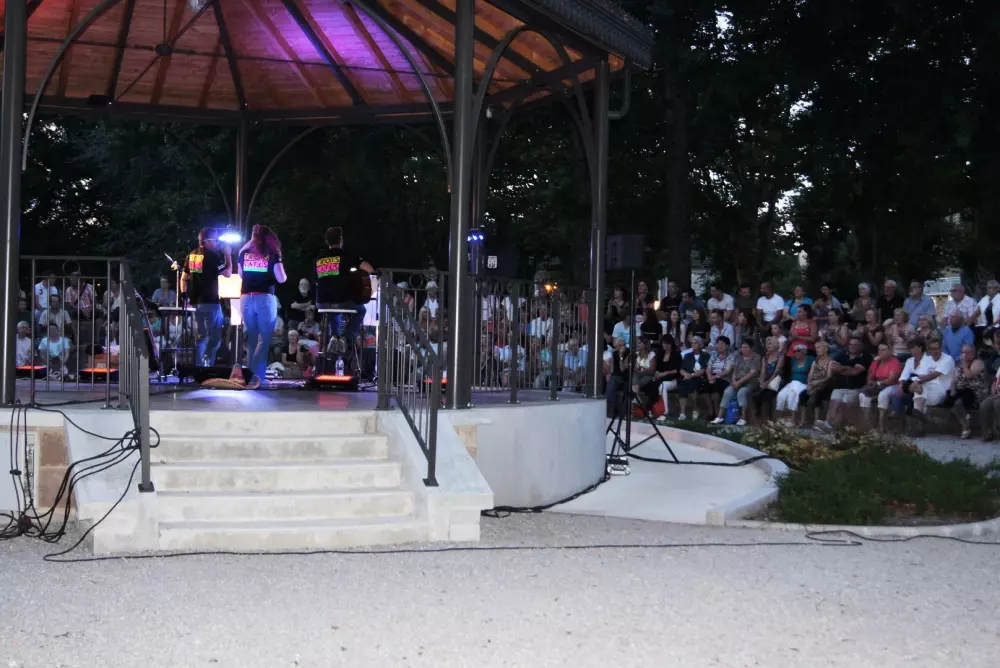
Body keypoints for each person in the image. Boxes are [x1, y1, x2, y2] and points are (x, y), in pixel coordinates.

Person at [237, 224, 287, 386]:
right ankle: (257, 376)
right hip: (264, 298)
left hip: (245, 298)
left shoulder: (243, 252)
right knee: (264, 339)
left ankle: (250, 377)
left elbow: (241, 275)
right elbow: (281, 278)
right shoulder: (272, 252)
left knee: (252, 338)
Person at [315, 226, 375, 354]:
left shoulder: (319, 258)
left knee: (333, 309)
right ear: (341, 240)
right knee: (361, 310)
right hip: (343, 301)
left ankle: (334, 336)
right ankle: (346, 338)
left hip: (322, 302)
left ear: (327, 241)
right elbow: (369, 269)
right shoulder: (346, 256)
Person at [180, 228, 233, 367]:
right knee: (215, 338)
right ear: (207, 241)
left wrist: (185, 296)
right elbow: (228, 273)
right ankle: (208, 365)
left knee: (201, 337)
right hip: (210, 302)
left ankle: (199, 368)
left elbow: (183, 278)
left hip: (195, 303)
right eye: (215, 240)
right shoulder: (212, 256)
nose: (217, 243)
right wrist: (228, 254)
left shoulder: (192, 255)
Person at [816, 337, 872, 432]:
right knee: (834, 404)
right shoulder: (842, 355)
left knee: (842, 406)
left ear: (860, 346)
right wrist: (848, 368)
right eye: (851, 344)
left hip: (855, 388)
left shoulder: (865, 357)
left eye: (855, 345)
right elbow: (833, 367)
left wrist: (841, 368)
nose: (852, 346)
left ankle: (831, 426)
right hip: (839, 387)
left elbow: (855, 372)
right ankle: (828, 424)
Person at [905, 338, 955, 434]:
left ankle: (919, 423)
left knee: (919, 394)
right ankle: (920, 422)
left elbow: (933, 375)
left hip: (941, 390)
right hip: (927, 388)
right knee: (918, 390)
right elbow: (921, 375)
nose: (935, 351)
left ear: (941, 348)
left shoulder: (948, 359)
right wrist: (915, 384)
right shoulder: (927, 359)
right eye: (932, 349)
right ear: (928, 350)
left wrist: (916, 383)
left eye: (937, 348)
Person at [942, 344, 988, 439]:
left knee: (959, 403)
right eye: (963, 352)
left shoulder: (978, 363)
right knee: (948, 401)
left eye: (967, 353)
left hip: (975, 392)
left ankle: (965, 427)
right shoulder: (958, 364)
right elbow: (954, 380)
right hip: (961, 391)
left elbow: (969, 375)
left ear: (973, 353)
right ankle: (965, 418)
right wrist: (953, 389)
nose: (964, 355)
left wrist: (964, 364)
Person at [713, 338, 759, 426]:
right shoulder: (738, 357)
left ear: (751, 348)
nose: (743, 349)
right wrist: (734, 381)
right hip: (736, 382)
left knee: (741, 392)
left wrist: (739, 382)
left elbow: (752, 373)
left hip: (750, 382)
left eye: (746, 347)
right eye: (742, 347)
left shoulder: (756, 357)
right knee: (727, 391)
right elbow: (734, 371)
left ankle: (743, 418)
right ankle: (719, 416)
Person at [858, 343, 903, 433]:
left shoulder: (895, 362)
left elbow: (892, 380)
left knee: (883, 395)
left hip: (891, 385)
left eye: (883, 350)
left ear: (890, 351)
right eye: (879, 350)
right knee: (862, 396)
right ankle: (868, 424)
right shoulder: (876, 362)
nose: (880, 352)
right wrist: (870, 382)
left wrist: (878, 383)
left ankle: (881, 425)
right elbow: (870, 375)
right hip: (877, 386)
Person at [797, 340, 835, 428]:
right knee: (802, 395)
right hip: (814, 384)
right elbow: (810, 375)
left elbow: (829, 376)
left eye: (819, 348)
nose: (817, 350)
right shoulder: (815, 361)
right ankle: (803, 420)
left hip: (825, 385)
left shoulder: (830, 362)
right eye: (816, 348)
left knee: (817, 395)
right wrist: (809, 384)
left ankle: (816, 421)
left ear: (825, 349)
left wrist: (817, 383)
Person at [677, 336, 710, 420]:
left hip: (700, 378)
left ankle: (695, 409)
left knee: (692, 384)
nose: (693, 345)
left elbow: (703, 370)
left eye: (695, 343)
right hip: (688, 378)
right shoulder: (687, 355)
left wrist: (690, 376)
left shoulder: (705, 355)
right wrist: (685, 374)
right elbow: (681, 369)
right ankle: (682, 413)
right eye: (692, 343)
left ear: (700, 345)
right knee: (682, 386)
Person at [776, 344, 813, 418]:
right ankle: (780, 418)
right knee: (781, 395)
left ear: (804, 351)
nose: (796, 353)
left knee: (793, 394)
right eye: (794, 351)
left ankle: (792, 419)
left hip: (803, 383)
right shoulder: (793, 359)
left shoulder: (810, 359)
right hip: (793, 383)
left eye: (798, 351)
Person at [753, 336, 785, 421]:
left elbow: (776, 372)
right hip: (766, 379)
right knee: (756, 393)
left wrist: (767, 383)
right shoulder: (765, 357)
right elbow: (763, 371)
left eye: (770, 344)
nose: (767, 346)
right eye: (767, 344)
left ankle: (769, 418)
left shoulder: (780, 356)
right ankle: (758, 414)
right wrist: (761, 382)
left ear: (775, 345)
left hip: (776, 379)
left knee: (768, 395)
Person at [653, 335, 682, 421]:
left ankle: (665, 412)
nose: (665, 345)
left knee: (662, 386)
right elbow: (657, 368)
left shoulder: (676, 354)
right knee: (653, 385)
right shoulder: (660, 354)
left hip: (674, 380)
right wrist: (657, 373)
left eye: (667, 344)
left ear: (671, 344)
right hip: (661, 378)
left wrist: (665, 373)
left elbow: (677, 370)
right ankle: (652, 410)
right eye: (663, 343)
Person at [977, 366, 1000, 441]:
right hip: (997, 394)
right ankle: (987, 433)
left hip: (998, 396)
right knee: (984, 405)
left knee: (997, 404)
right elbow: (995, 381)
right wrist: (993, 390)